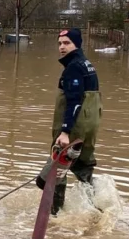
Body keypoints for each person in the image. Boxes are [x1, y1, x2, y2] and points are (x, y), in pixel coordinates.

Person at [41, 28, 102, 215]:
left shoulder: (73, 67)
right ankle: (94, 208)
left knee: (57, 170)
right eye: (60, 43)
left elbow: (74, 101)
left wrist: (65, 132)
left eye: (67, 43)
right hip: (89, 125)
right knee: (84, 167)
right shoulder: (87, 64)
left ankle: (54, 213)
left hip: (74, 127)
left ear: (77, 44)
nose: (62, 47)